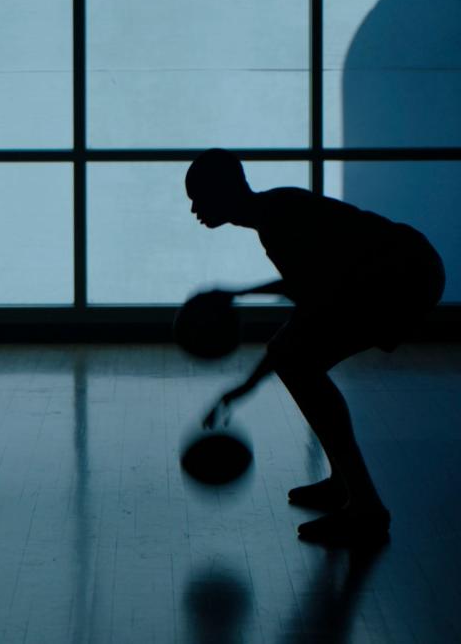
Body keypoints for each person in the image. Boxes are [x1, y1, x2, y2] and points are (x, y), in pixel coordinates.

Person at [185, 148, 444, 545]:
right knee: (298, 360)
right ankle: (346, 486)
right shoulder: (275, 214)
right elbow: (307, 292)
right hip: (407, 268)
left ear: (224, 191)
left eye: (198, 196)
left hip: (404, 277)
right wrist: (238, 301)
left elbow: (308, 299)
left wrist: (244, 384)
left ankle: (366, 507)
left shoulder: (280, 219)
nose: (193, 209)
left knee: (298, 363)